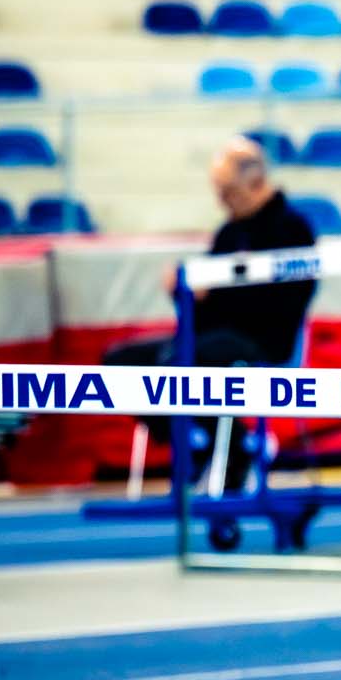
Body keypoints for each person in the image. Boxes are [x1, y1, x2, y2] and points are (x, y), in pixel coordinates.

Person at [105, 136, 317, 483]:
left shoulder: (293, 229)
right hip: (213, 336)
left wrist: (215, 294)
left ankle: (231, 449)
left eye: (228, 192)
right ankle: (202, 441)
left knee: (185, 359)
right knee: (122, 362)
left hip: (263, 340)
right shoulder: (229, 232)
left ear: (256, 182)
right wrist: (185, 292)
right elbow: (205, 307)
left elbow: (282, 303)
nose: (221, 201)